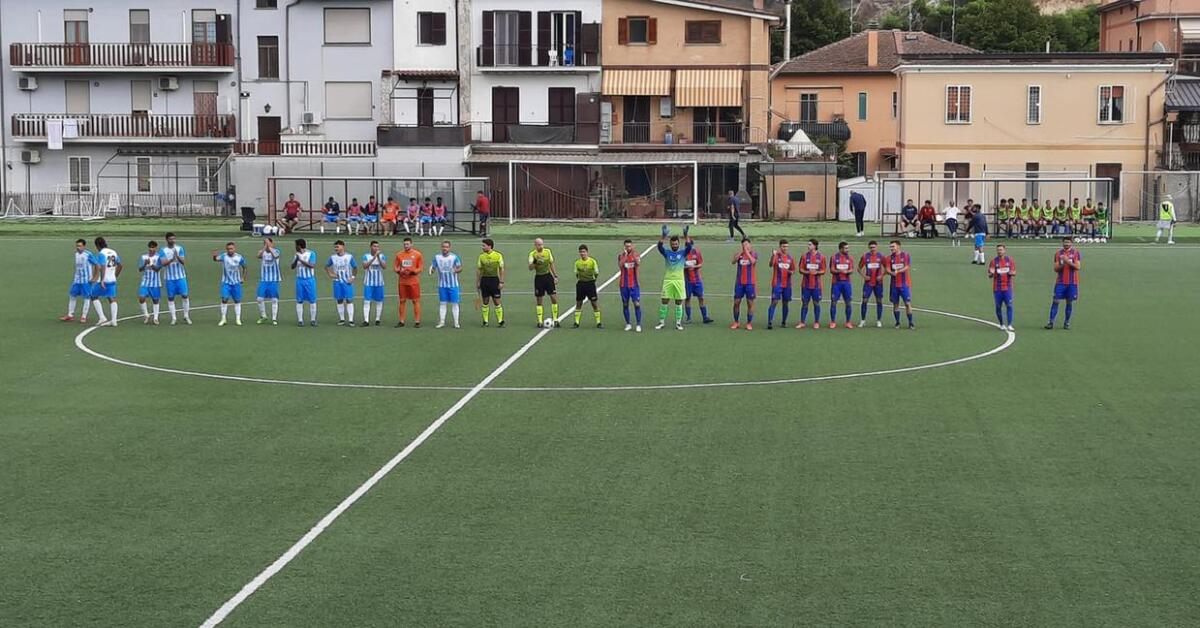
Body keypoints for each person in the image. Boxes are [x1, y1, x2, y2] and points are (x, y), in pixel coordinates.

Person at [656, 225, 692, 330]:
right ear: (670, 244)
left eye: (676, 244)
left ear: (678, 244)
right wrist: (663, 236)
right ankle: (661, 322)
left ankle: (678, 323)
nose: (674, 245)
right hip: (668, 280)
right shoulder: (667, 253)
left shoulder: (683, 253)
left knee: (679, 302)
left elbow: (689, 247)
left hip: (679, 281)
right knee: (664, 301)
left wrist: (686, 235)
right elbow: (659, 247)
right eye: (672, 244)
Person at [1046, 237, 1082, 329]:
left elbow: (1078, 267)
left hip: (1072, 282)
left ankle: (1067, 322)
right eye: (1065, 242)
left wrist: (1068, 262)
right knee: (1055, 301)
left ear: (1071, 243)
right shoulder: (1058, 253)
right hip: (1060, 282)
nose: (1066, 244)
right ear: (1062, 243)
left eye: (1068, 242)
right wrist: (1063, 264)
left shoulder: (1076, 253)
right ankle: (1051, 322)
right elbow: (1055, 268)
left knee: (1069, 302)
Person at [159, 232, 191, 325]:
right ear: (167, 240)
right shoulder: (163, 250)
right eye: (170, 239)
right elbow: (163, 263)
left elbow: (183, 261)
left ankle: (186, 316)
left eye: (174, 239)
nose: (173, 241)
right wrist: (172, 259)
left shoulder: (179, 248)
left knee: (185, 295)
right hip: (169, 278)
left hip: (180, 276)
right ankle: (173, 318)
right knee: (171, 298)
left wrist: (177, 256)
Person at [89, 237, 122, 327]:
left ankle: (102, 317)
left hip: (104, 279)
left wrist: (102, 280)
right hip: (112, 279)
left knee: (93, 296)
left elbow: (102, 266)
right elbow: (120, 265)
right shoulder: (113, 252)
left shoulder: (101, 253)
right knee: (112, 298)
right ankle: (114, 320)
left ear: (97, 245)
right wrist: (115, 275)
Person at [429, 239, 463, 328]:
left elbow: (460, 268)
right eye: (443, 247)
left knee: (455, 303)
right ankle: (442, 322)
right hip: (442, 285)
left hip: (453, 285)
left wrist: (455, 270)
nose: (445, 248)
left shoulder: (454, 257)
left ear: (449, 248)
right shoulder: (437, 257)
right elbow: (433, 267)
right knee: (443, 303)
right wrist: (431, 270)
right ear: (441, 247)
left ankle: (456, 322)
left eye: (447, 247)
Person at [212, 242, 246, 326]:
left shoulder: (239, 257)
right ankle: (223, 318)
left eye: (231, 248)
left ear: (234, 249)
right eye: (228, 249)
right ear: (226, 249)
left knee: (237, 300)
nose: (230, 250)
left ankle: (238, 319)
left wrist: (243, 278)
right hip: (226, 282)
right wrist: (214, 256)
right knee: (224, 299)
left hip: (236, 282)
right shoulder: (224, 256)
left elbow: (244, 267)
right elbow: (216, 259)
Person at [528, 238, 559, 327]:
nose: (541, 246)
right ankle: (540, 321)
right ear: (535, 245)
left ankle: (556, 319)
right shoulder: (532, 254)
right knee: (539, 300)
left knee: (553, 297)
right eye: (539, 245)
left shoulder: (547, 252)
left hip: (548, 276)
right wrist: (536, 261)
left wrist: (555, 276)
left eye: (542, 244)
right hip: (539, 278)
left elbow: (551, 263)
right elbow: (530, 268)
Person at [796, 238, 826, 328]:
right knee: (804, 303)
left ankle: (816, 322)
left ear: (815, 246)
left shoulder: (821, 257)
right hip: (806, 285)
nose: (808, 246)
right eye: (808, 244)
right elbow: (800, 269)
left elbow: (823, 270)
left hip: (817, 285)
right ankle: (802, 322)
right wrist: (807, 272)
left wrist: (817, 272)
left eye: (810, 244)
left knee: (816, 303)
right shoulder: (804, 256)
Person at [682, 234, 713, 324]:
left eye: (691, 246)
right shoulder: (683, 255)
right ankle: (688, 318)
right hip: (687, 281)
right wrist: (687, 268)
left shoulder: (696, 253)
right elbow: (680, 267)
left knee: (701, 297)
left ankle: (705, 317)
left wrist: (695, 266)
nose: (690, 248)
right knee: (687, 298)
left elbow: (701, 263)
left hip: (697, 280)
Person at [393, 237, 424, 327]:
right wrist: (399, 271)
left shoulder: (418, 254)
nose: (406, 246)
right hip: (402, 282)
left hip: (413, 281)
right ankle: (401, 321)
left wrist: (414, 271)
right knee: (402, 300)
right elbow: (396, 267)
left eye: (407, 244)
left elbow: (420, 267)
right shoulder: (399, 255)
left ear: (411, 244)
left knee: (415, 300)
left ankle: (417, 321)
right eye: (404, 244)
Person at [326, 240, 357, 326]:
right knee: (339, 300)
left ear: (343, 247)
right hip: (337, 282)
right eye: (335, 247)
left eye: (337, 247)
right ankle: (342, 319)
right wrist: (331, 274)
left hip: (347, 282)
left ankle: (351, 320)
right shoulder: (332, 257)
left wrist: (353, 277)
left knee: (349, 299)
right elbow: (327, 266)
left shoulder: (349, 257)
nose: (336, 248)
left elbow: (355, 267)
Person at [765, 239, 794, 329]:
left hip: (787, 284)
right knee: (774, 302)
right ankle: (770, 322)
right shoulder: (776, 256)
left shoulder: (790, 258)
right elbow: (770, 264)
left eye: (786, 246)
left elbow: (793, 269)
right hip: (777, 283)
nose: (785, 248)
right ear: (780, 246)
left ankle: (784, 322)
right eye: (783, 246)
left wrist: (791, 272)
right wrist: (772, 256)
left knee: (786, 303)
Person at [730, 237, 757, 331]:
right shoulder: (739, 254)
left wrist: (747, 252)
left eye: (746, 244)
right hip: (739, 283)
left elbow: (753, 261)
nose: (745, 246)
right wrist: (740, 253)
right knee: (736, 302)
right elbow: (733, 262)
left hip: (750, 283)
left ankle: (749, 323)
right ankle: (736, 321)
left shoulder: (753, 254)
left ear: (750, 245)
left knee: (750, 303)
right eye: (743, 245)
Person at [886, 240, 915, 329]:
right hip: (894, 285)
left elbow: (906, 267)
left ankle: (911, 323)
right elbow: (887, 269)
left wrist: (898, 271)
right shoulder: (889, 258)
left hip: (904, 284)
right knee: (895, 304)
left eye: (893, 246)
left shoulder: (905, 255)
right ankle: (897, 322)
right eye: (890, 247)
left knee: (907, 303)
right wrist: (891, 273)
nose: (891, 248)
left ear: (898, 246)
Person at [476, 238, 505, 327]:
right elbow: (479, 270)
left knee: (496, 301)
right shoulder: (481, 256)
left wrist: (501, 281)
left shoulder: (498, 255)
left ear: (489, 246)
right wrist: (478, 282)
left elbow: (501, 269)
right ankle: (485, 321)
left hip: (494, 280)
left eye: (484, 246)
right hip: (485, 280)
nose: (482, 247)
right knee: (485, 301)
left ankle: (500, 321)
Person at [857, 240, 886, 328]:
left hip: (878, 283)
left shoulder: (881, 256)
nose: (872, 249)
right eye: (871, 247)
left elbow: (887, 268)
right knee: (865, 300)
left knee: (879, 301)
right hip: (868, 283)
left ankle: (879, 320)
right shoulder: (865, 256)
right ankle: (863, 320)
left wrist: (881, 275)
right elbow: (859, 268)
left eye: (874, 247)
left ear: (876, 247)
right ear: (868, 247)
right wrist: (864, 276)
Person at [64, 238, 94, 323]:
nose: (78, 247)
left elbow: (97, 265)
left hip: (86, 280)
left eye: (80, 246)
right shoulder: (76, 254)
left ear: (84, 246)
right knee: (72, 295)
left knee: (86, 297)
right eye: (77, 246)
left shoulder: (88, 254)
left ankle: (84, 316)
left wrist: (94, 277)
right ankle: (70, 315)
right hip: (77, 280)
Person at [987, 244, 1016, 331]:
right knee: (998, 306)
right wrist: (991, 273)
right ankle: (1001, 324)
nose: (999, 251)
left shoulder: (1010, 260)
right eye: (998, 250)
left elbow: (1014, 272)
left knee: (1009, 305)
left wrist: (1011, 273)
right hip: (997, 288)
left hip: (1007, 287)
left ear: (1004, 251)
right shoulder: (993, 261)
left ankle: (1010, 324)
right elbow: (989, 274)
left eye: (1001, 250)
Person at [573, 244, 602, 328]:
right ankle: (576, 322)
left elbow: (596, 273)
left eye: (584, 252)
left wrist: (592, 280)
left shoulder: (592, 261)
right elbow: (577, 274)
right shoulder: (577, 263)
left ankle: (598, 322)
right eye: (581, 252)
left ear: (587, 252)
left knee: (594, 303)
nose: (582, 253)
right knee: (579, 303)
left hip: (590, 284)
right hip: (581, 284)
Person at [291, 238, 319, 326]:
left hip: (309, 280)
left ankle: (313, 320)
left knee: (312, 300)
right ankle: (300, 320)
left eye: (296, 245)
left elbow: (312, 265)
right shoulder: (296, 255)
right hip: (300, 280)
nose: (295, 247)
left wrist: (301, 260)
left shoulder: (311, 253)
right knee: (299, 300)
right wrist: (296, 260)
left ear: (299, 246)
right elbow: (292, 267)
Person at [360, 240, 387, 326]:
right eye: (374, 246)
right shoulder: (366, 256)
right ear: (370, 247)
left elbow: (384, 266)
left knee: (379, 300)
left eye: (377, 247)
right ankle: (366, 320)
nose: (376, 248)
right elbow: (365, 266)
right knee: (367, 301)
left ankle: (377, 319)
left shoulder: (382, 256)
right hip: (368, 282)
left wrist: (378, 257)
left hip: (379, 282)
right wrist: (374, 257)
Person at [255, 237, 282, 325]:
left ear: (272, 243)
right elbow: (258, 256)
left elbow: (276, 256)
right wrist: (264, 248)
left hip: (273, 279)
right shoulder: (262, 252)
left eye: (268, 243)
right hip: (264, 279)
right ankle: (263, 316)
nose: (266, 245)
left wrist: (269, 247)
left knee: (274, 299)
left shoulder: (276, 251)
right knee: (259, 298)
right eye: (265, 243)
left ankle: (274, 318)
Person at [618, 239, 642, 332]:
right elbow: (620, 265)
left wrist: (633, 256)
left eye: (629, 246)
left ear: (632, 246)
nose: (628, 248)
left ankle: (638, 324)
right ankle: (628, 323)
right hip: (623, 284)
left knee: (637, 304)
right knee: (625, 304)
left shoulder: (636, 255)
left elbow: (638, 263)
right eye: (626, 246)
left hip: (634, 284)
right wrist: (625, 256)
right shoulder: (621, 256)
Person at [829, 241, 855, 328]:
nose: (848, 250)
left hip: (847, 283)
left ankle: (848, 322)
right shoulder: (834, 257)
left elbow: (851, 269)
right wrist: (839, 271)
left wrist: (847, 271)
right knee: (833, 302)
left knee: (848, 302)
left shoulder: (850, 258)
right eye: (846, 248)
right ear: (841, 249)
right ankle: (833, 322)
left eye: (848, 248)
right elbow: (832, 270)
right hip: (836, 283)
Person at [137, 240, 162, 325]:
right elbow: (140, 269)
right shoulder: (143, 257)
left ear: (156, 248)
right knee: (141, 298)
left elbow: (157, 269)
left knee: (155, 300)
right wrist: (144, 264)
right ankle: (146, 315)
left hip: (155, 282)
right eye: (150, 247)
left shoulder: (159, 257)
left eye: (153, 247)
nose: (151, 249)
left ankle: (155, 318)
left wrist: (150, 264)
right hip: (145, 281)